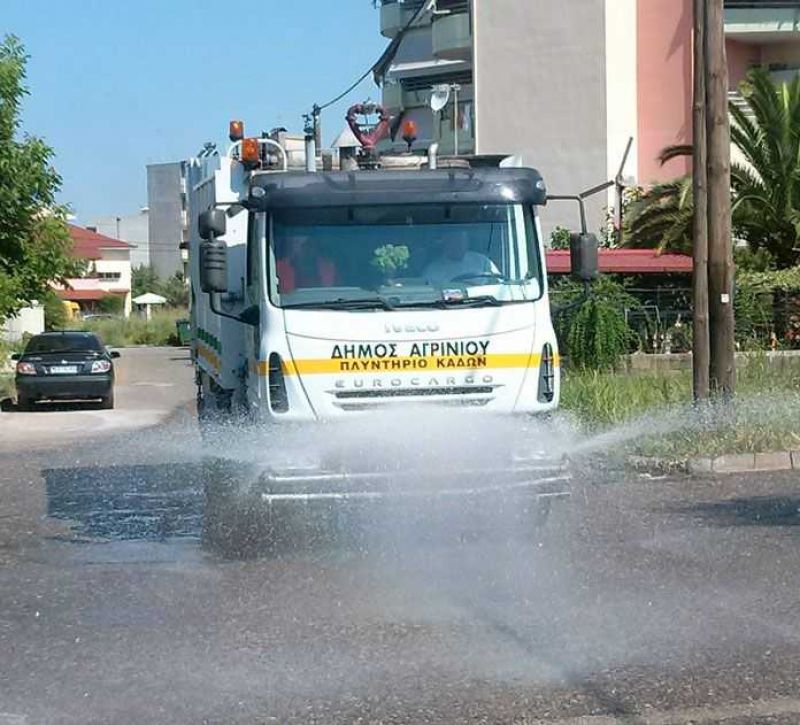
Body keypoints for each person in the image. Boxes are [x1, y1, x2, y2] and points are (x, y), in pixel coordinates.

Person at [422, 230, 499, 285]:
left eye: (461, 241)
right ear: (445, 244)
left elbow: (498, 282)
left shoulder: (483, 261)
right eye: (453, 242)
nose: (458, 245)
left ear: (467, 242)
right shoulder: (433, 270)